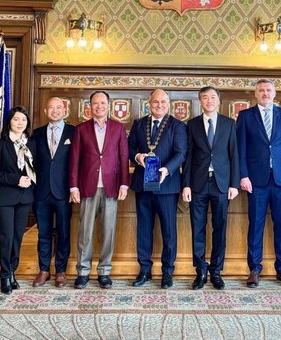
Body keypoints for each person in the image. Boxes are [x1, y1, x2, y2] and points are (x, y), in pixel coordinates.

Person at [237, 79, 281, 288]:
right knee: (255, 225)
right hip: (256, 180)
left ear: (274, 94)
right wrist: (243, 175)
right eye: (261, 90)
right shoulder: (246, 116)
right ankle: (254, 269)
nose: (265, 93)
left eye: (268, 90)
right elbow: (241, 149)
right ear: (255, 94)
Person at [69, 91, 129, 289]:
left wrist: (124, 184)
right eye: (96, 103)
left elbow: (123, 157)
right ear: (90, 106)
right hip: (88, 186)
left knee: (108, 231)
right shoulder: (81, 129)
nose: (99, 106)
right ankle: (83, 271)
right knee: (85, 231)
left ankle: (104, 271)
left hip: (111, 187)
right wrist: (73, 186)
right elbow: (75, 159)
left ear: (108, 105)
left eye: (103, 103)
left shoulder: (119, 128)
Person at [182, 86, 239, 290]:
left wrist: (234, 183)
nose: (209, 101)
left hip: (221, 183)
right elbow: (188, 157)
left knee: (219, 228)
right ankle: (200, 271)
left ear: (219, 100)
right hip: (198, 183)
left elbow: (234, 155)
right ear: (200, 101)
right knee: (197, 228)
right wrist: (186, 185)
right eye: (205, 98)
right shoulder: (192, 125)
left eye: (212, 97)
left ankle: (216, 271)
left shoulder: (229, 124)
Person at [129, 89, 187, 289]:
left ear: (168, 103)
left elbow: (181, 154)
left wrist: (166, 170)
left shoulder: (177, 126)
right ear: (149, 103)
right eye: (155, 102)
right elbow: (130, 149)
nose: (159, 105)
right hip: (143, 184)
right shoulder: (138, 124)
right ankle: (144, 270)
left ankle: (167, 272)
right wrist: (138, 158)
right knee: (144, 229)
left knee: (169, 231)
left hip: (167, 185)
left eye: (163, 102)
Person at [0, 106, 36, 294]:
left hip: (25, 198)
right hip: (6, 197)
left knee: (18, 237)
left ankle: (12, 271)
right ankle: (4, 274)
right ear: (9, 122)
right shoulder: (0, 145)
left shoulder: (31, 144)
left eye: (23, 120)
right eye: (16, 119)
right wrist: (16, 179)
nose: (20, 123)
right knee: (6, 237)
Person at [32, 97, 75, 288]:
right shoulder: (36, 133)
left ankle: (60, 271)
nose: (55, 111)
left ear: (65, 111)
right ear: (45, 111)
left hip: (65, 191)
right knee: (43, 233)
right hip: (41, 191)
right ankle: (43, 270)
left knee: (64, 232)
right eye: (51, 107)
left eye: (59, 108)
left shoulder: (74, 132)